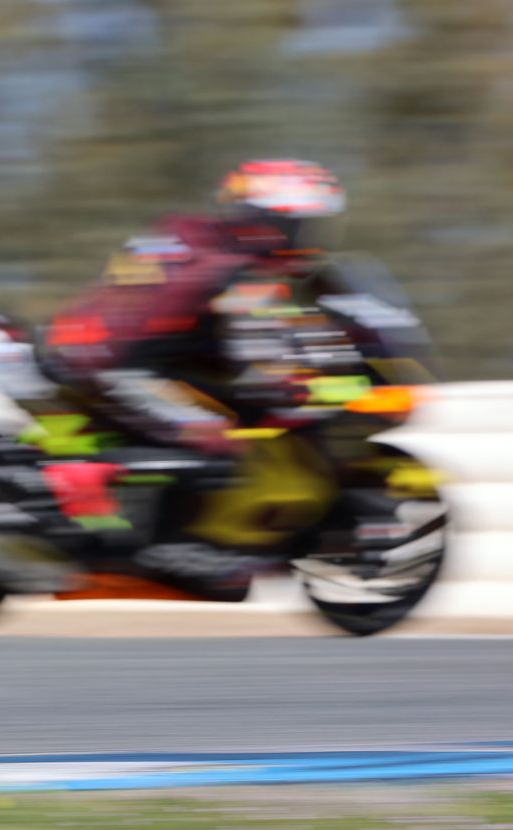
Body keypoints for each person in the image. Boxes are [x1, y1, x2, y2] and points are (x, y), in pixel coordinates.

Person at [35, 159, 435, 592]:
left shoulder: (190, 240)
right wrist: (313, 389)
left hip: (94, 354)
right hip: (117, 370)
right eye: (301, 227)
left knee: (219, 418)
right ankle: (161, 542)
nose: (309, 240)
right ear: (266, 222)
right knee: (217, 434)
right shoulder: (239, 272)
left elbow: (218, 339)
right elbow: (256, 365)